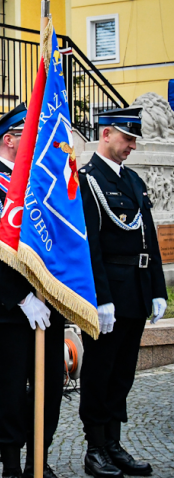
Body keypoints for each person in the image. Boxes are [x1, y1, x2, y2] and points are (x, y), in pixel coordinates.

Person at [0, 103, 64, 478]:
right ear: (10, 139)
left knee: (50, 386)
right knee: (10, 388)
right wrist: (22, 297)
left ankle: (39, 457)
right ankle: (11, 462)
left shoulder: (40, 180)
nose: (37, 141)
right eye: (30, 136)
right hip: (12, 308)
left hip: (49, 303)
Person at [77, 107, 167, 477]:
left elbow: (150, 238)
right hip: (109, 295)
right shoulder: (87, 180)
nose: (131, 145)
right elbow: (90, 245)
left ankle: (113, 443)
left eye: (133, 139)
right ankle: (95, 447)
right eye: (127, 138)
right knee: (99, 371)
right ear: (106, 134)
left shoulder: (132, 180)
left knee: (123, 373)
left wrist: (158, 289)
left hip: (136, 291)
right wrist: (100, 298)